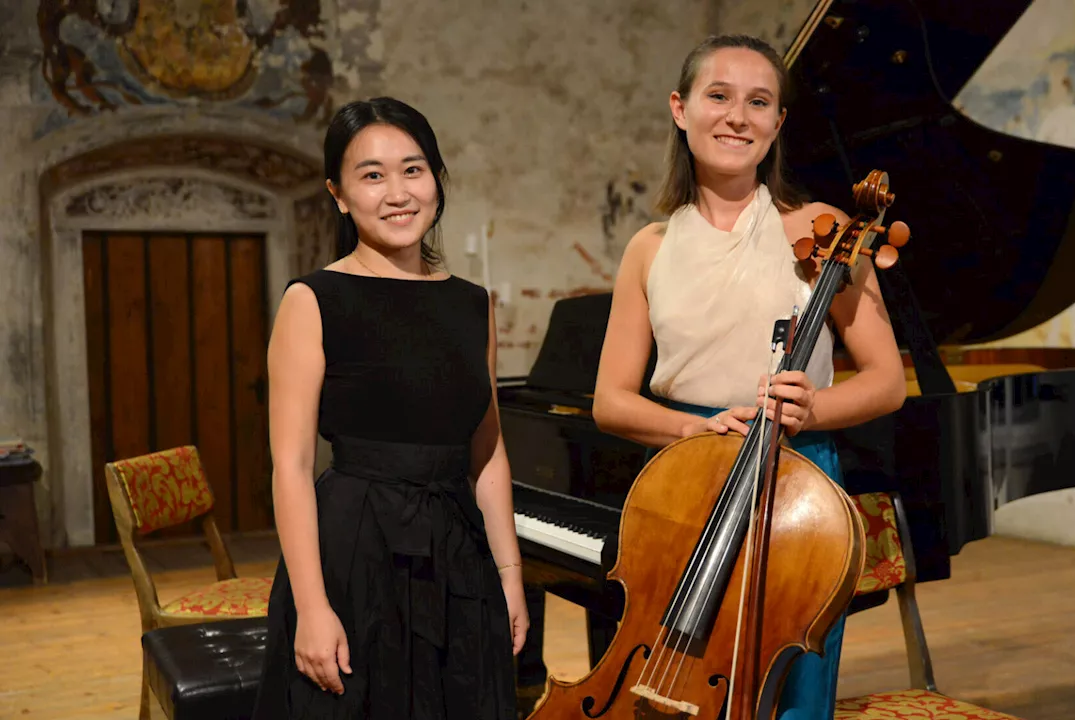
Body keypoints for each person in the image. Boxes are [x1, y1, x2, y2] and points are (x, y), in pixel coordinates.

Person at [592, 34, 907, 719]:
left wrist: (813, 409)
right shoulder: (649, 248)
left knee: (788, 689)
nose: (737, 116)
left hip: (797, 478)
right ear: (681, 109)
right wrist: (696, 428)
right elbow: (610, 401)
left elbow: (887, 381)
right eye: (719, 96)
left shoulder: (822, 230)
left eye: (759, 102)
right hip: (684, 479)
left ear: (778, 124)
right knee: (679, 669)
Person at [252, 96, 527, 720]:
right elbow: (291, 467)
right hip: (354, 552)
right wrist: (313, 607)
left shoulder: (472, 304)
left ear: (436, 180)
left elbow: (487, 453)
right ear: (340, 194)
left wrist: (510, 573)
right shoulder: (313, 299)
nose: (398, 192)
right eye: (372, 175)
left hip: (458, 549)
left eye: (413, 169)